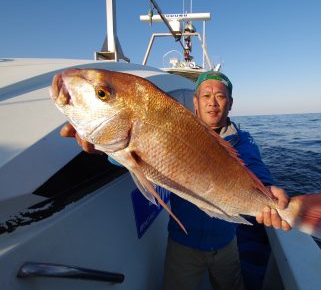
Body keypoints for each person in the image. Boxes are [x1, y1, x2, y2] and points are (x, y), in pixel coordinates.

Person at [60, 70, 291, 290]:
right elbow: (132, 157)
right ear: (196, 101)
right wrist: (103, 149)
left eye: (220, 96)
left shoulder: (243, 142)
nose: (213, 102)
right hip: (183, 245)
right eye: (206, 96)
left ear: (230, 103)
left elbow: (256, 168)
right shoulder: (174, 128)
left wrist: (269, 190)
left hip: (226, 245)